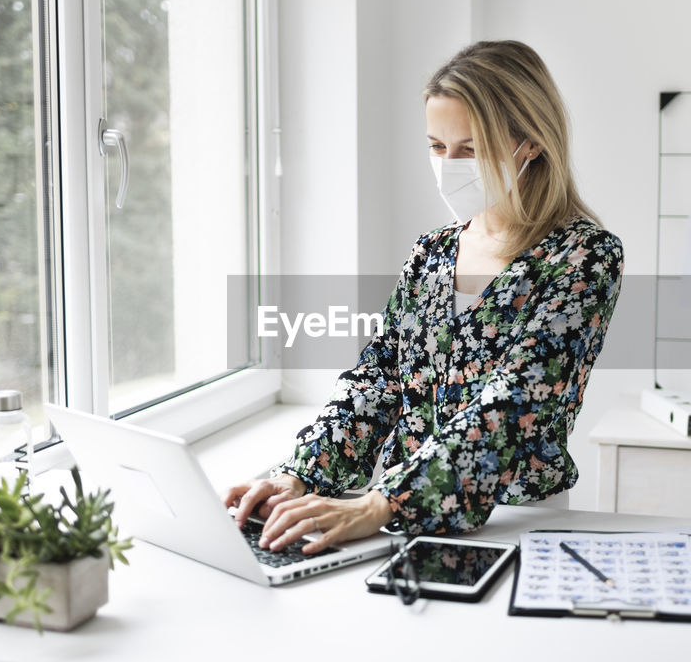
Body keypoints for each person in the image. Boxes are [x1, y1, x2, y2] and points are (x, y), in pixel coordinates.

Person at [225, 39, 623, 554]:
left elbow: (515, 406)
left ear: (531, 142)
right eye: (437, 147)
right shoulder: (431, 252)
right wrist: (299, 474)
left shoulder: (584, 257)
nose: (449, 165)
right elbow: (379, 379)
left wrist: (382, 503)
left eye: (471, 149)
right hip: (397, 517)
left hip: (513, 519)